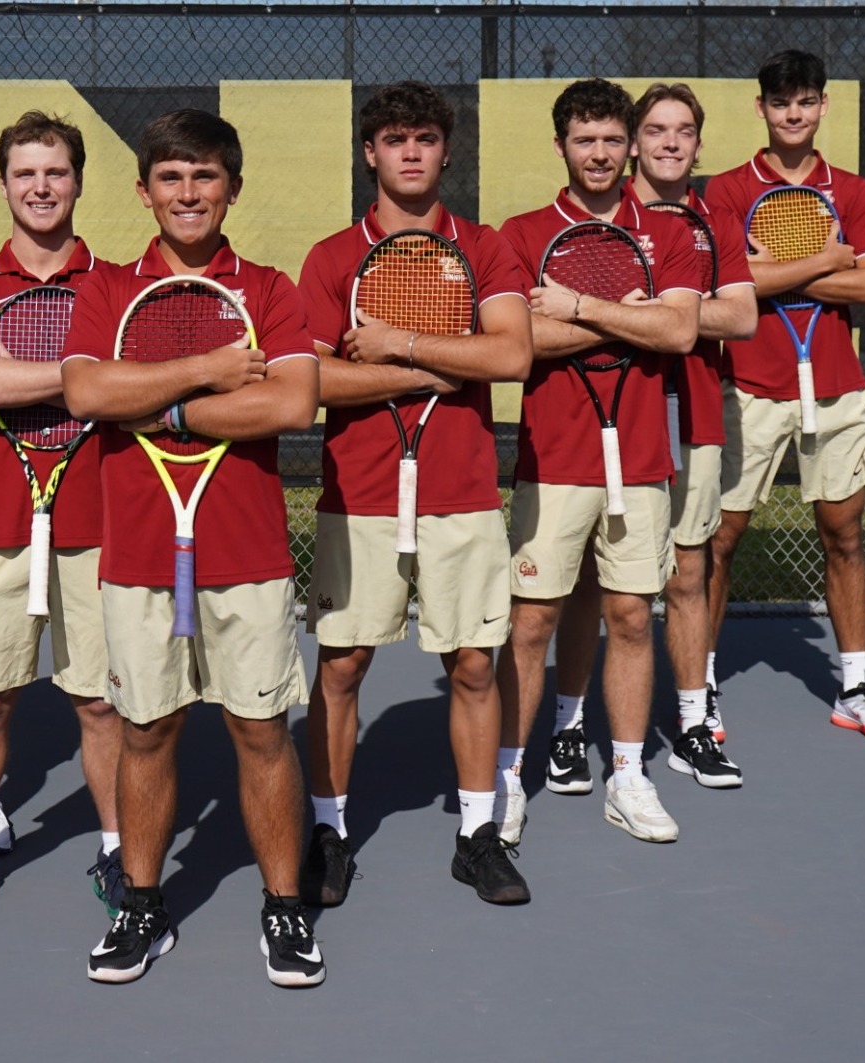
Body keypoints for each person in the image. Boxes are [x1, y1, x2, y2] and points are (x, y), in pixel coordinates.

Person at [59, 109, 323, 988]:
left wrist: (156, 406)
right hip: (136, 554)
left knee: (260, 729)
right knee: (147, 729)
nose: (188, 193)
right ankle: (142, 904)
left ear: (232, 188)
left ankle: (286, 906)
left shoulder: (272, 288)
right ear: (143, 192)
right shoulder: (105, 289)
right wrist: (208, 372)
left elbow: (288, 406)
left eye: (205, 176)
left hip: (247, 556)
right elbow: (89, 389)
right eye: (170, 178)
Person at [295, 81, 533, 908]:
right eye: (394, 139)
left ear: (445, 150)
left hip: (462, 495)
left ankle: (478, 835)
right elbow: (315, 379)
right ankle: (328, 830)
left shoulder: (488, 248)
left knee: (473, 663)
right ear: (370, 153)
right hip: (355, 497)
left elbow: (510, 357)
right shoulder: (331, 257)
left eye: (425, 138)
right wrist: (447, 358)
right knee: (343, 666)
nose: (410, 152)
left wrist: (398, 345)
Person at [0, 111, 121, 924]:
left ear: (78, 181)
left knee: (101, 703)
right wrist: (85, 375)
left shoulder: (114, 281)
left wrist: (41, 375)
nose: (41, 187)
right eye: (26, 174)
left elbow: (124, 389)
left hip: (98, 524)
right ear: (5, 184)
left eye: (56, 172)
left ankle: (118, 852)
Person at [495, 79, 700, 844]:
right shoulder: (519, 233)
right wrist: (634, 319)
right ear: (561, 147)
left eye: (614, 139)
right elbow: (523, 345)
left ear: (632, 144)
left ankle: (628, 774)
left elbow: (680, 334)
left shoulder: (670, 233)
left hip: (643, 458)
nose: (601, 154)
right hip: (551, 461)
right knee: (532, 621)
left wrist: (577, 306)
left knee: (630, 617)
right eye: (586, 140)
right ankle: (509, 777)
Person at [544, 83, 756, 795]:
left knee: (686, 571)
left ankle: (694, 720)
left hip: (692, 410)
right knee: (583, 583)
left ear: (699, 142)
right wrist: (633, 314)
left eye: (684, 131)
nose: (669, 142)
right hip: (602, 417)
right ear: (634, 140)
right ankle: (569, 725)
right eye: (656, 129)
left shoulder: (709, 223)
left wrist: (669, 311)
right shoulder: (589, 221)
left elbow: (736, 319)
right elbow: (542, 323)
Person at [703, 51, 865, 741]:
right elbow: (731, 286)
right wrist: (826, 259)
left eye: (806, 101)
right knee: (720, 536)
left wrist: (773, 271)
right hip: (750, 390)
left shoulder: (853, 191)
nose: (794, 113)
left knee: (843, 533)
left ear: (822, 107)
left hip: (840, 391)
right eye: (781, 101)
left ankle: (853, 687)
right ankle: (698, 688)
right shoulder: (727, 191)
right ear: (761, 108)